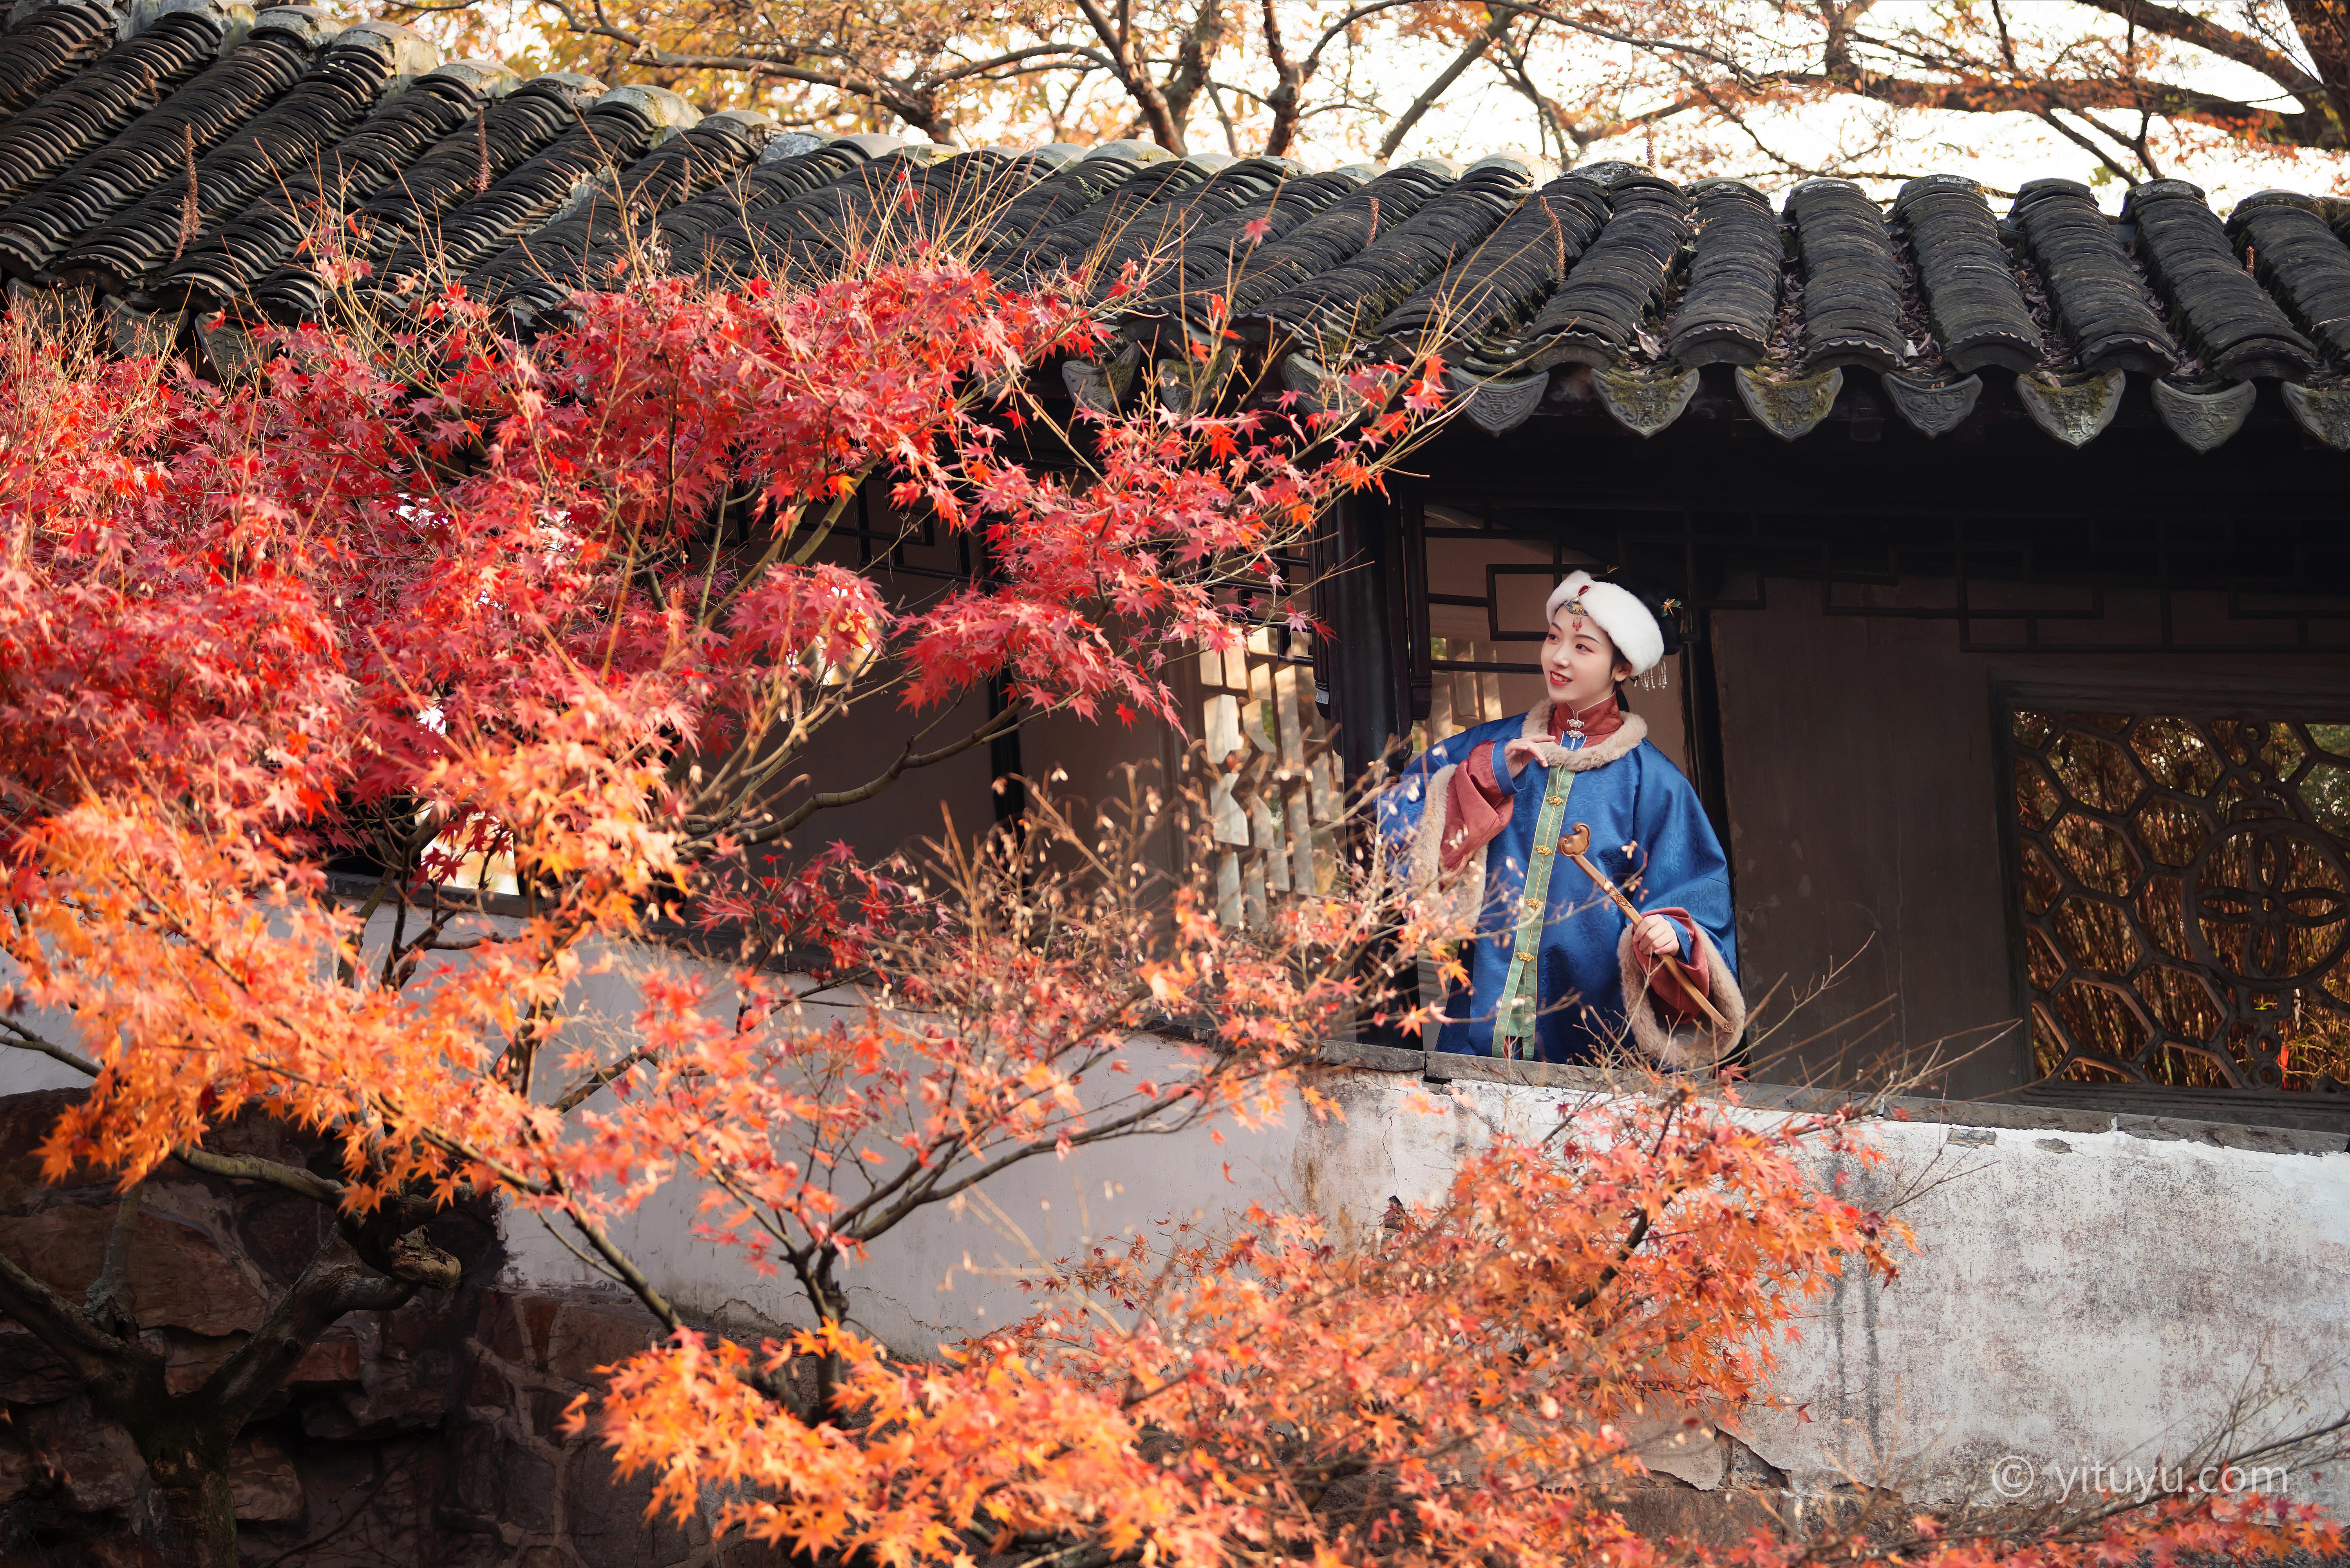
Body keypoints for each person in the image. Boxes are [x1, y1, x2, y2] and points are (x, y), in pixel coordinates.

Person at [1377, 570, 1743, 1066]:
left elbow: (1697, 893)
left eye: (1583, 646)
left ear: (1622, 668)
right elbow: (1393, 814)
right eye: (1554, 638)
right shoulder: (1491, 746)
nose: (1560, 657)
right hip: (1475, 1026)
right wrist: (1485, 777)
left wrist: (1673, 933)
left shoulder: (1654, 783)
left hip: (1595, 1037)